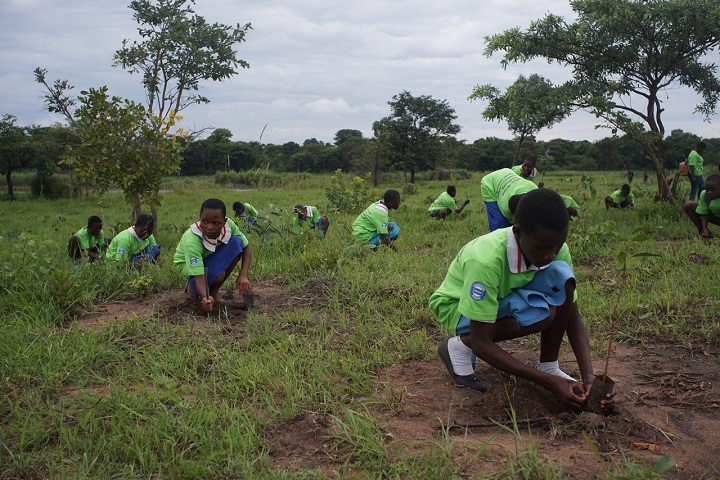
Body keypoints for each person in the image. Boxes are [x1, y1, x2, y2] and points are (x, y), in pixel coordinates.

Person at [430, 188, 615, 411]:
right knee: (541, 313)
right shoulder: (486, 259)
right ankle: (458, 347)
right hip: (457, 306)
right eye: (542, 248)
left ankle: (549, 365)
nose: (550, 255)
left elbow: (572, 317)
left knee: (563, 278)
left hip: (504, 295)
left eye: (557, 247)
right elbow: (482, 342)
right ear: (517, 232)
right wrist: (546, 382)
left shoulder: (555, 248)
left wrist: (589, 377)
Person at [174, 198, 252, 312]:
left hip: (209, 255)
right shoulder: (192, 240)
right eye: (205, 221)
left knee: (236, 242)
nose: (210, 227)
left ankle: (213, 292)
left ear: (224, 222)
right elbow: (199, 273)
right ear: (200, 217)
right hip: (188, 263)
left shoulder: (229, 225)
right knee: (218, 274)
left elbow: (246, 248)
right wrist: (205, 298)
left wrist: (243, 275)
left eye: (216, 223)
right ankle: (192, 291)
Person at [683, 174, 720, 239]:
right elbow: (704, 214)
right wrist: (704, 228)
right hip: (715, 216)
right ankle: (705, 234)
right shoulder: (704, 195)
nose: (709, 192)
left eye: (714, 190)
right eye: (707, 189)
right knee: (688, 205)